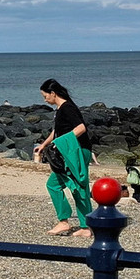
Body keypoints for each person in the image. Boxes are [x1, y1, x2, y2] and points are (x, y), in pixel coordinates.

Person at [36, 79, 93, 238]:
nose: (44, 99)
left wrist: (61, 142)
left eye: (45, 95)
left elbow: (81, 128)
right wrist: (44, 144)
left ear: (53, 93)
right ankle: (85, 227)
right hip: (72, 152)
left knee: (56, 185)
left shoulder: (67, 108)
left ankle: (65, 222)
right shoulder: (62, 109)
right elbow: (57, 131)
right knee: (77, 187)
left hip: (77, 152)